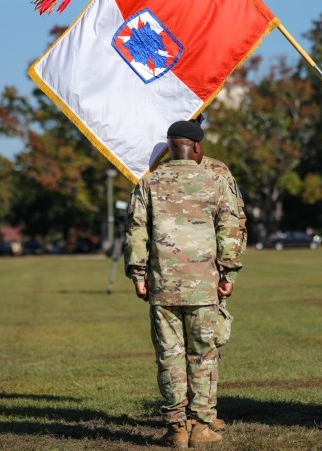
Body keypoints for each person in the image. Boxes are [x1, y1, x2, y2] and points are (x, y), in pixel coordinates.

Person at [124, 118, 245, 448]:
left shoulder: (149, 182)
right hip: (204, 286)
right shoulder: (213, 179)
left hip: (163, 286)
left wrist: (138, 276)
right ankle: (202, 427)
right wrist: (229, 274)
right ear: (196, 147)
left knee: (170, 356)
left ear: (169, 146)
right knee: (204, 356)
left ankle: (176, 427)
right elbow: (230, 230)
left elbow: (136, 232)